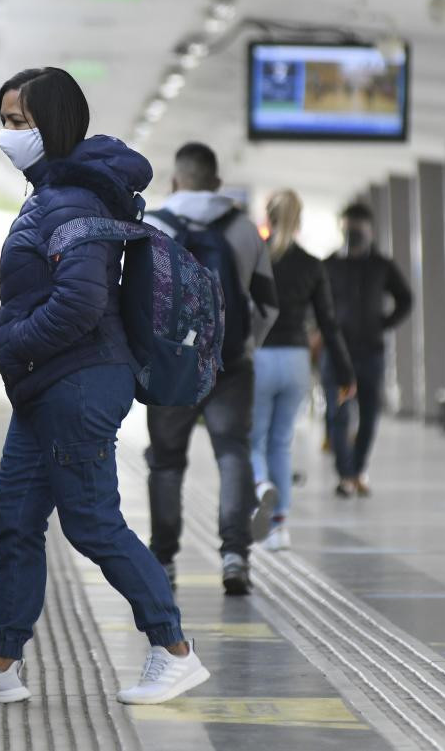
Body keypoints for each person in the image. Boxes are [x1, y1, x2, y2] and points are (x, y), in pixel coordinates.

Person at [0, 67, 209, 708]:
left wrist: (14, 343)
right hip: (49, 386)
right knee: (14, 520)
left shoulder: (71, 200)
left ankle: (173, 650)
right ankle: (0, 665)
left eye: (19, 122)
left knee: (93, 522)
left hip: (77, 383)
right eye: (4, 120)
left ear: (53, 124)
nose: (8, 134)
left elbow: (80, 302)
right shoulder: (54, 193)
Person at [143, 143, 279, 595]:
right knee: (232, 452)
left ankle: (162, 560)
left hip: (170, 367)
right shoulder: (244, 229)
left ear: (175, 180)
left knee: (166, 462)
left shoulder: (152, 225)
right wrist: (241, 346)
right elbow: (268, 305)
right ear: (218, 183)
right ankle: (235, 556)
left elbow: (137, 301)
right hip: (231, 365)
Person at [251, 190, 355, 551]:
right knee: (281, 442)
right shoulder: (313, 264)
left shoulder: (256, 258)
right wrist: (345, 373)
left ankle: (261, 485)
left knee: (254, 439)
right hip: (296, 360)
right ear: (299, 219)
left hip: (260, 357)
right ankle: (279, 527)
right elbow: (328, 324)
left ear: (268, 216)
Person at [323, 202, 412, 497]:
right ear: (341, 228)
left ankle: (359, 469)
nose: (353, 235)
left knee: (369, 414)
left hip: (371, 353)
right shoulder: (329, 265)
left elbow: (405, 299)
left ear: (370, 230)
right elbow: (316, 305)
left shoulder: (382, 266)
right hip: (336, 354)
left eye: (358, 229)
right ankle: (346, 475)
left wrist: (383, 323)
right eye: (348, 229)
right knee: (338, 415)